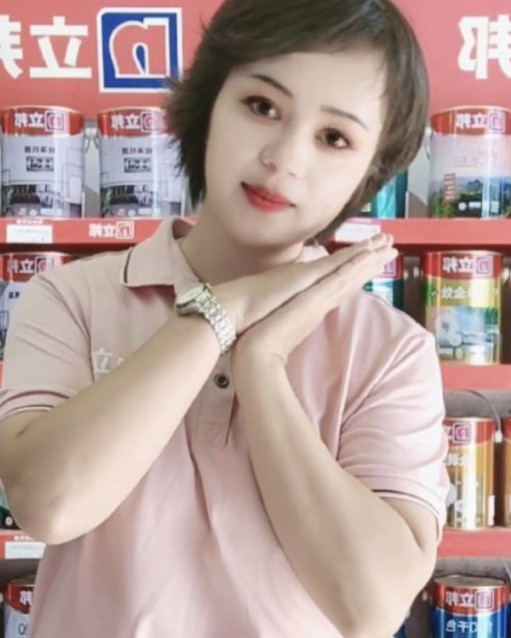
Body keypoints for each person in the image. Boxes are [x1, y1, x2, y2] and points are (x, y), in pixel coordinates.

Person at [0, 0, 448, 636]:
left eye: (333, 138)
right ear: (209, 104)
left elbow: (370, 604)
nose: (284, 158)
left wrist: (261, 364)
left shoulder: (389, 348)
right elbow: (49, 504)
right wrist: (221, 312)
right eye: (262, 106)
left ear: (369, 173)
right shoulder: (72, 297)